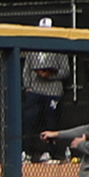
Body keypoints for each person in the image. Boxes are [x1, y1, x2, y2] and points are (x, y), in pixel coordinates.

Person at [21, 21, 67, 149]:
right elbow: (26, 69)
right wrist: (28, 87)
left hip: (53, 91)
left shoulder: (59, 47)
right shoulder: (33, 47)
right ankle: (27, 151)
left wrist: (50, 75)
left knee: (51, 122)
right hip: (35, 90)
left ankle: (49, 152)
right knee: (29, 120)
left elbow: (65, 71)